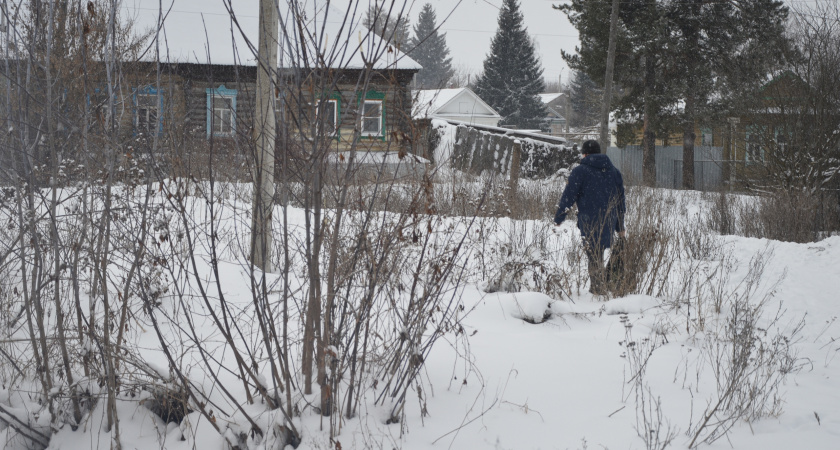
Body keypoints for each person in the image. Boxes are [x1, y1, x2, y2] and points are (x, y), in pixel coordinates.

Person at [553, 140, 626, 295]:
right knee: (598, 252)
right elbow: (620, 202)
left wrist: (560, 217)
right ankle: (604, 286)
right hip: (610, 219)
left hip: (589, 219)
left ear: (585, 154)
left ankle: (598, 290)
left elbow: (569, 195)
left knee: (593, 253)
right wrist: (620, 227)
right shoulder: (614, 171)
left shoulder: (580, 171)